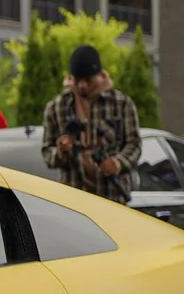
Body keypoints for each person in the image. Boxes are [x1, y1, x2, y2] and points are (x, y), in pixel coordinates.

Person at [37, 44, 141, 203]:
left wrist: (117, 163)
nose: (82, 85)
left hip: (112, 199)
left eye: (88, 79)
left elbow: (134, 144)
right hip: (72, 201)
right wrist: (61, 152)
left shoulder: (122, 104)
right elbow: (46, 151)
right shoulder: (56, 108)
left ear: (100, 75)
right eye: (77, 80)